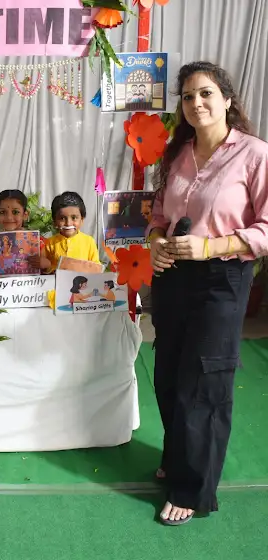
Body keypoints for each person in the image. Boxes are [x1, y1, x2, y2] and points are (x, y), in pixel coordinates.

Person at [147, 61, 268, 525]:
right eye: (187, 96)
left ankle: (192, 488)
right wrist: (156, 244)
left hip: (222, 278)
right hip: (173, 276)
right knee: (168, 374)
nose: (196, 103)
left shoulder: (254, 154)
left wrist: (210, 246)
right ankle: (177, 457)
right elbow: (159, 217)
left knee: (204, 382)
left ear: (227, 99)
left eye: (205, 93)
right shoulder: (177, 154)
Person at [0, 189, 47, 273]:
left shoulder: (37, 241)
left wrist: (46, 265)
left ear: (25, 215)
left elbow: (47, 270)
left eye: (15, 212)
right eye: (3, 212)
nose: (9, 217)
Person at [43, 191, 100, 273]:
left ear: (82, 220)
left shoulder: (89, 242)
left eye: (74, 218)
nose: (68, 223)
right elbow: (45, 268)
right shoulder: (49, 243)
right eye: (62, 218)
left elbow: (96, 268)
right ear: (54, 221)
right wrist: (52, 269)